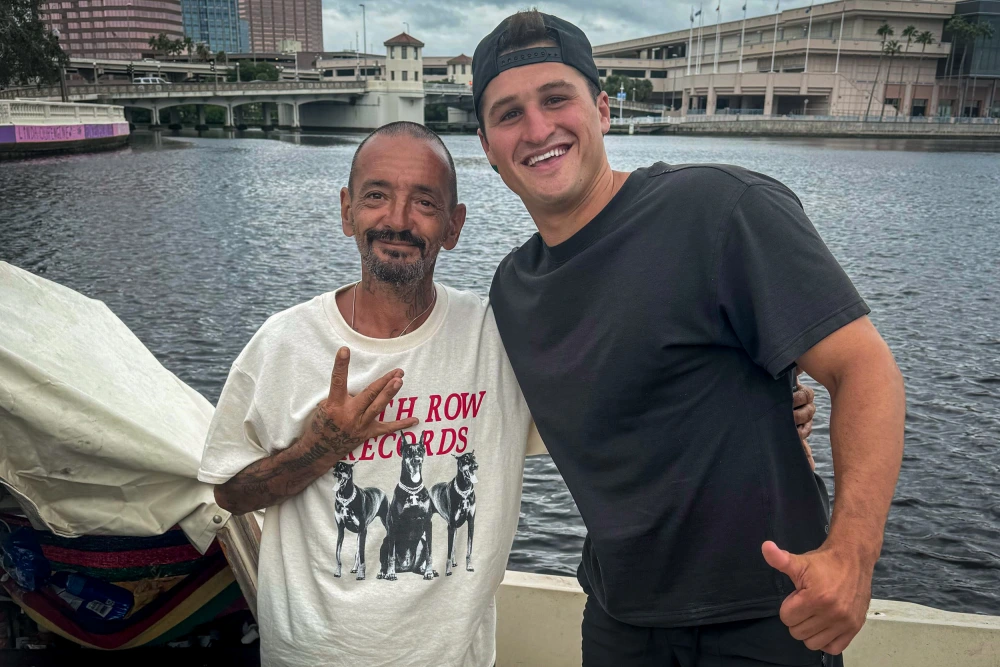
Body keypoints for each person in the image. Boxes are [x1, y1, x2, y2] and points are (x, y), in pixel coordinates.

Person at [198, 121, 820, 667]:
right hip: (315, 655)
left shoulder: (497, 336)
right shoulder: (282, 345)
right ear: (345, 211)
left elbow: (623, 400)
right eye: (376, 196)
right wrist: (320, 448)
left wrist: (753, 401)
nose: (397, 219)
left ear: (454, 226)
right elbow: (230, 489)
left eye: (424, 203)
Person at [475, 11, 905, 667]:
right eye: (508, 113)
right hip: (621, 621)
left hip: (765, 614)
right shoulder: (512, 289)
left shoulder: (721, 209)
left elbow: (864, 369)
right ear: (486, 145)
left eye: (556, 98)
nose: (537, 128)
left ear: (602, 108)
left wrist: (851, 553)